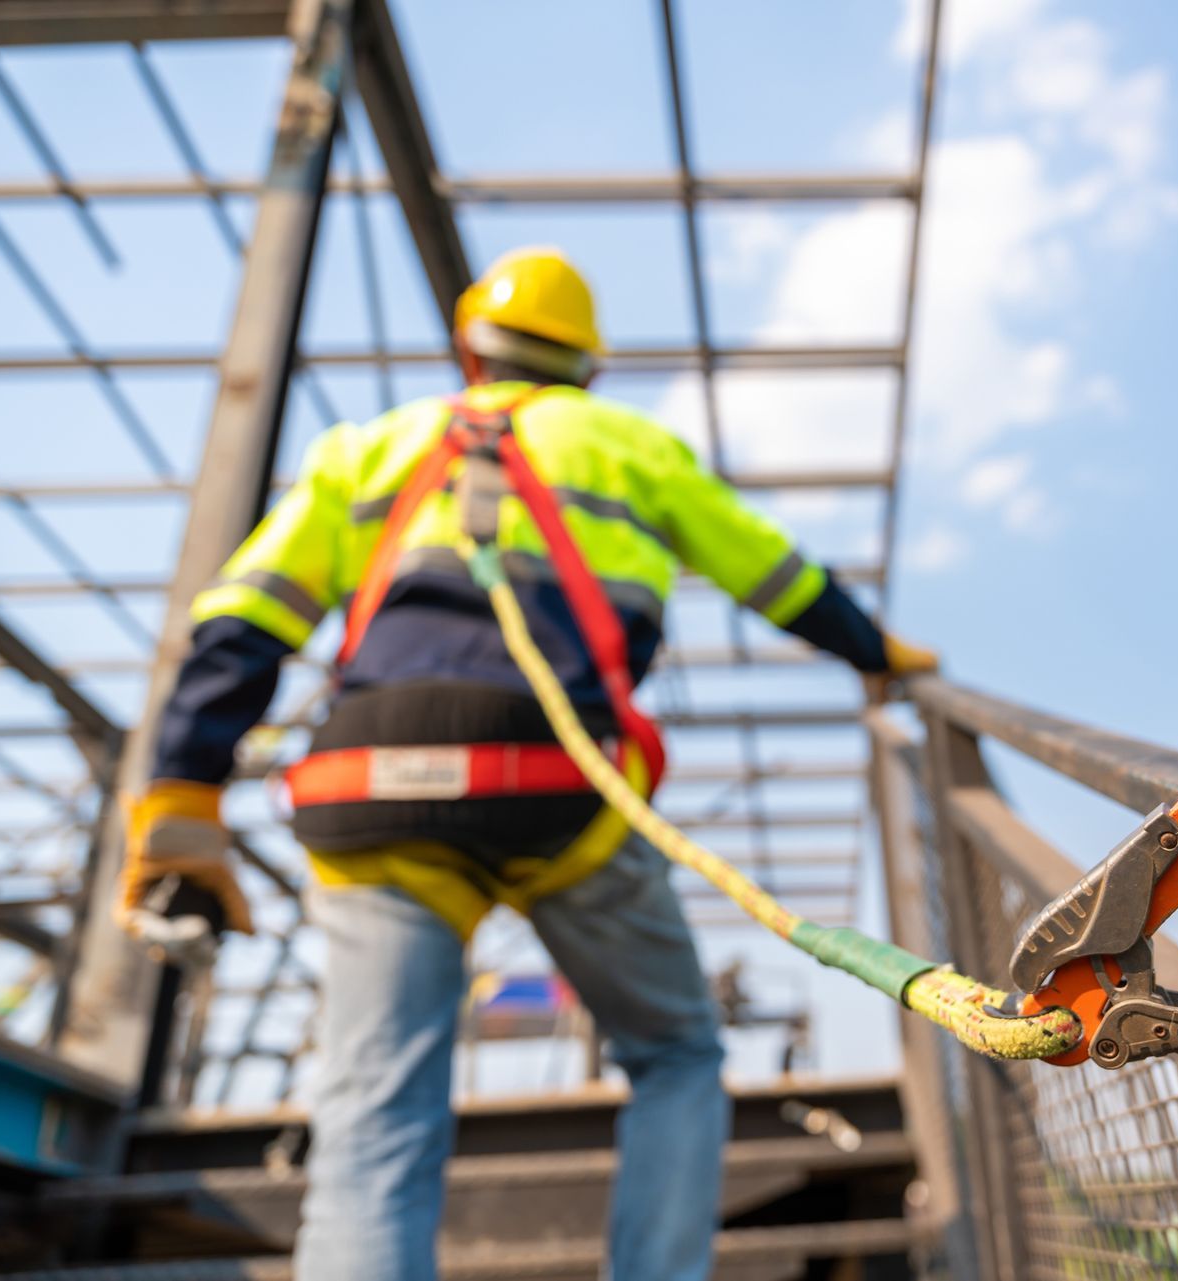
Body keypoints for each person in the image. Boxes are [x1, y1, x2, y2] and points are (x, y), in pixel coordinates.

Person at [114, 248, 939, 1281]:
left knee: (375, 1106)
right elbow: (780, 579)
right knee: (678, 1053)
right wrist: (879, 654)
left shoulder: (366, 448)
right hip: (557, 788)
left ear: (471, 348)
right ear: (586, 368)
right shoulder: (632, 447)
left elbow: (240, 622)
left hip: (366, 790)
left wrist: (182, 795)